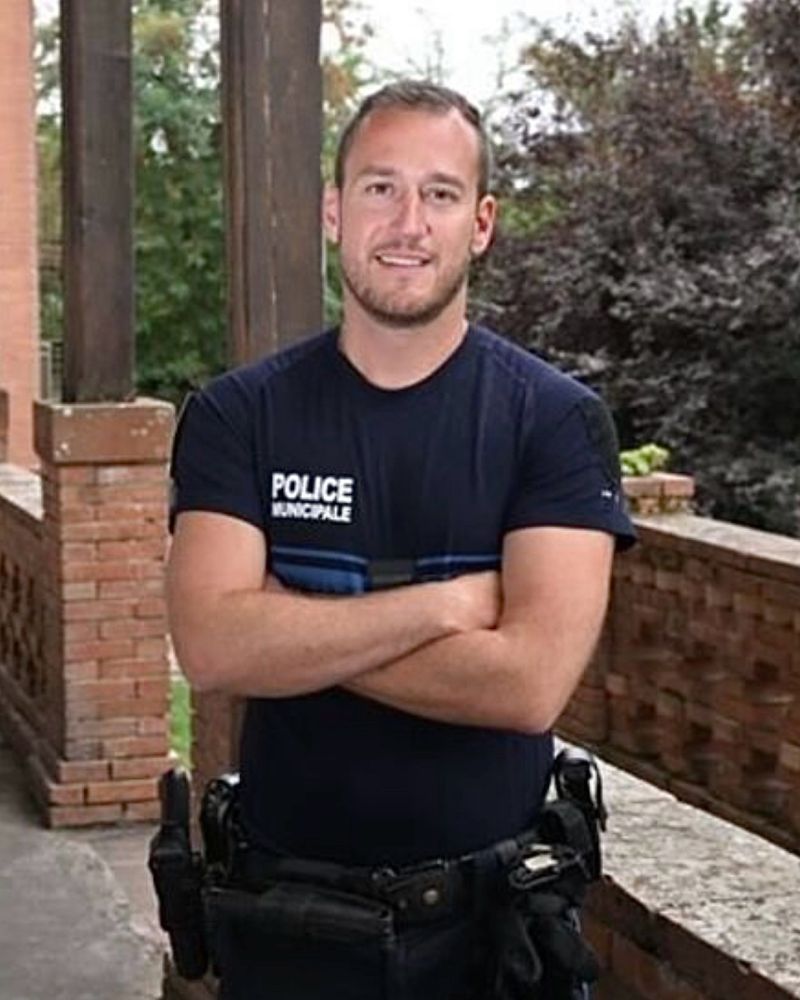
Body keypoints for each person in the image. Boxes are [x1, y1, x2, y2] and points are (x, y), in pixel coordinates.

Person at [166, 79, 636, 1000]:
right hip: (285, 927)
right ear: (334, 212)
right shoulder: (238, 416)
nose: (408, 222)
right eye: (380, 188)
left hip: (493, 935)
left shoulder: (553, 422)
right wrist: (446, 607)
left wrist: (286, 627)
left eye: (440, 193)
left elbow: (529, 684)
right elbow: (212, 649)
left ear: (482, 223)